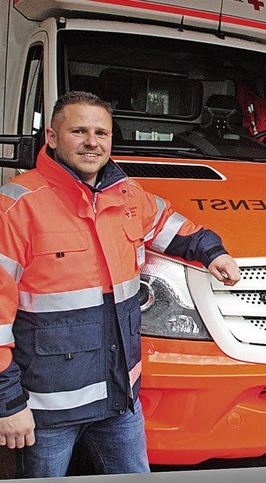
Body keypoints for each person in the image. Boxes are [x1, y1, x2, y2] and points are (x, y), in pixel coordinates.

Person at [0, 91, 241, 478]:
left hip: (120, 401)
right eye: (78, 131)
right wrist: (8, 404)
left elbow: (170, 227)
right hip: (48, 410)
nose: (92, 142)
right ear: (51, 136)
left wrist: (212, 252)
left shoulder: (127, 194)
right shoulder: (17, 206)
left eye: (102, 133)